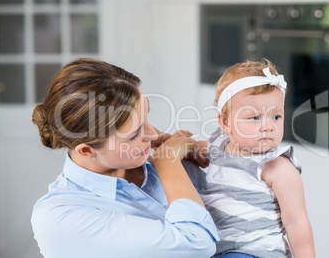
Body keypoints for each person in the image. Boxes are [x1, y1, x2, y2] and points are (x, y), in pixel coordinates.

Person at [31, 58, 219, 258]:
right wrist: (169, 164)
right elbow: (197, 245)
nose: (154, 135)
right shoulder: (59, 217)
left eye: (146, 116)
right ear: (87, 151)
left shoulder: (157, 160)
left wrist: (216, 154)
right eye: (134, 133)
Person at [200, 59, 315, 258]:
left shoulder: (276, 165)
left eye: (276, 117)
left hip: (256, 252)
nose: (268, 126)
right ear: (225, 123)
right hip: (220, 250)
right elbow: (192, 149)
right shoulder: (218, 145)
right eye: (254, 118)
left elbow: (297, 221)